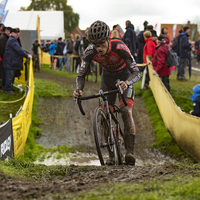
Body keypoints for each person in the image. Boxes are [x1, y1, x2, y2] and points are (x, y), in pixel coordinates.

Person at [73, 20, 141, 165]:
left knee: (125, 111)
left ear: (108, 39)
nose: (99, 48)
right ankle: (111, 155)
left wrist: (127, 82)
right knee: (104, 114)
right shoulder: (90, 51)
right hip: (107, 79)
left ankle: (129, 152)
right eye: (95, 44)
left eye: (101, 44)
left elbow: (136, 72)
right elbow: (81, 74)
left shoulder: (120, 47)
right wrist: (78, 90)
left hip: (124, 77)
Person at [2, 28, 32, 95]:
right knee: (9, 77)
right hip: (10, 62)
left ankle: (8, 89)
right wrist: (27, 55)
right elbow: (19, 50)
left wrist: (27, 53)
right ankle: (8, 90)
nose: (17, 34)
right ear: (12, 33)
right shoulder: (12, 40)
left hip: (10, 62)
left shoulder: (13, 40)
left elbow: (20, 49)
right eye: (16, 33)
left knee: (10, 77)